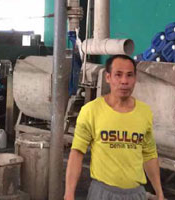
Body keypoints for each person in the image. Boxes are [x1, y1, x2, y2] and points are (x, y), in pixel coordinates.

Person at [65, 55, 165, 200]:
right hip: (102, 193)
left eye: (129, 75)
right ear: (108, 77)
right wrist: (69, 194)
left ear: (135, 79)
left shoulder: (144, 112)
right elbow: (77, 153)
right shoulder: (91, 111)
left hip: (135, 194)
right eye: (118, 75)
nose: (124, 81)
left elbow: (149, 155)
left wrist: (159, 193)